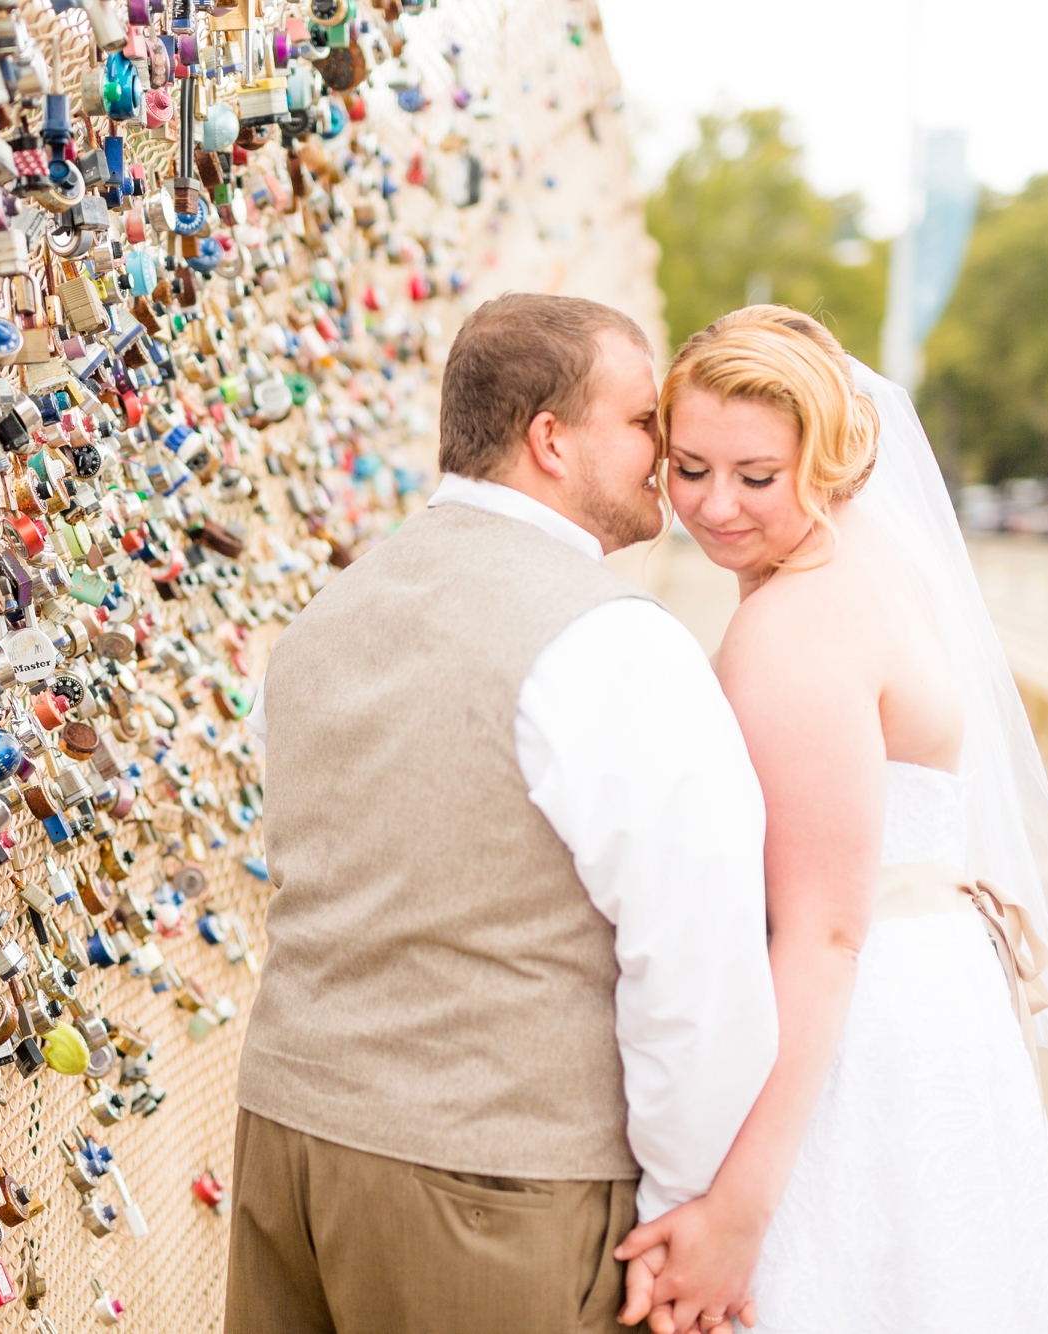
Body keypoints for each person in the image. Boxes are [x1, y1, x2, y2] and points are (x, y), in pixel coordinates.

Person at [223, 293, 778, 1334]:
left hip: (287, 1148)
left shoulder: (328, 612)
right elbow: (696, 959)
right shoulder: (610, 639)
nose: (663, 450)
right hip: (492, 1186)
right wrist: (685, 1206)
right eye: (640, 420)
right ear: (549, 440)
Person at [616, 305, 1048, 1334]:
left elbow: (823, 931)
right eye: (687, 465)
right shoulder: (868, 558)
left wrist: (736, 1208)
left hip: (854, 1037)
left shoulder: (793, 631)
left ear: (825, 461)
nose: (714, 506)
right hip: (929, 998)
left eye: (755, 474)